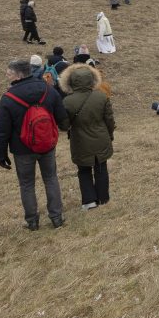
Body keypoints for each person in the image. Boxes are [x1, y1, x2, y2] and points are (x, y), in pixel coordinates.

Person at [0, 58, 70, 230]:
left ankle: (32, 221)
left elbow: (2, 130)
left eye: (9, 73)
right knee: (51, 179)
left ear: (19, 74)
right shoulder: (48, 89)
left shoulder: (8, 98)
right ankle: (56, 217)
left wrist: (0, 154)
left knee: (26, 184)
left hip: (22, 149)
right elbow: (62, 117)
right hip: (46, 144)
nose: (7, 75)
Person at [59, 64, 115, 210]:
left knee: (83, 170)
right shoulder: (102, 96)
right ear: (92, 79)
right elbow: (109, 120)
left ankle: (89, 201)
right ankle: (103, 198)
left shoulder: (67, 101)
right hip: (101, 137)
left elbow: (64, 125)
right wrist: (110, 135)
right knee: (101, 168)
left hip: (80, 140)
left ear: (70, 81)